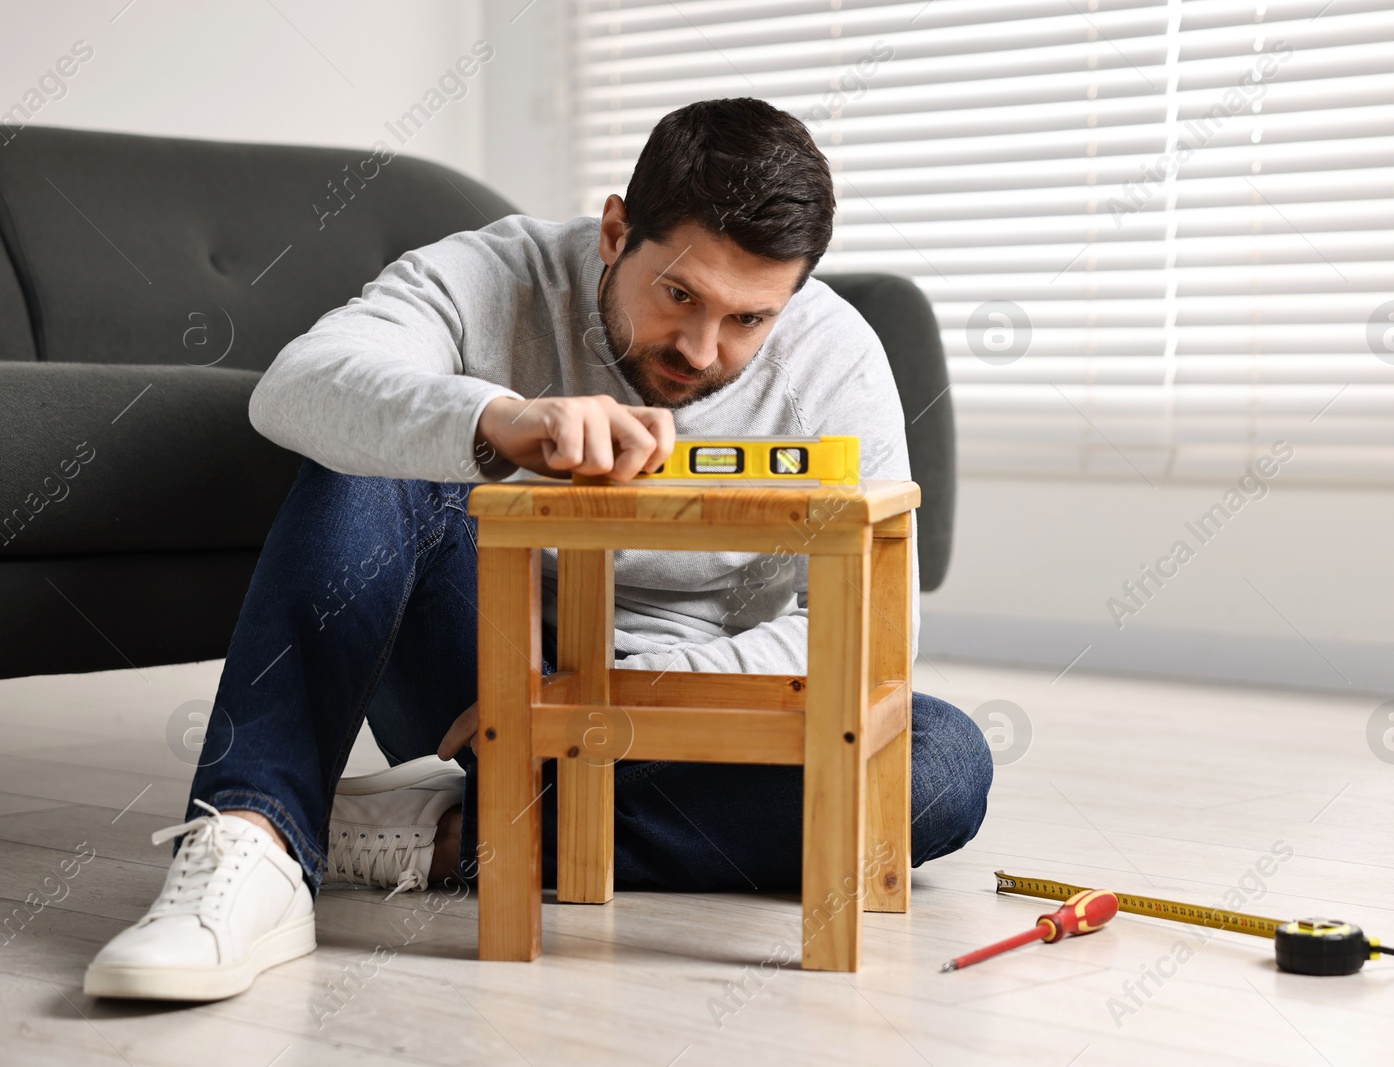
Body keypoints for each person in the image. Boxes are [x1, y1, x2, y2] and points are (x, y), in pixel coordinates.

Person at [83, 97, 993, 1001]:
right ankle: (254, 834)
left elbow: (871, 635)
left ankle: (454, 829)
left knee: (941, 766)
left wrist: (594, 699)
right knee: (379, 443)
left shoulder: (837, 361)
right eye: (679, 294)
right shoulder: (490, 273)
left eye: (749, 319)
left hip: (679, 709)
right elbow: (292, 392)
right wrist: (495, 421)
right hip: (480, 681)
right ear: (613, 231)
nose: (701, 349)